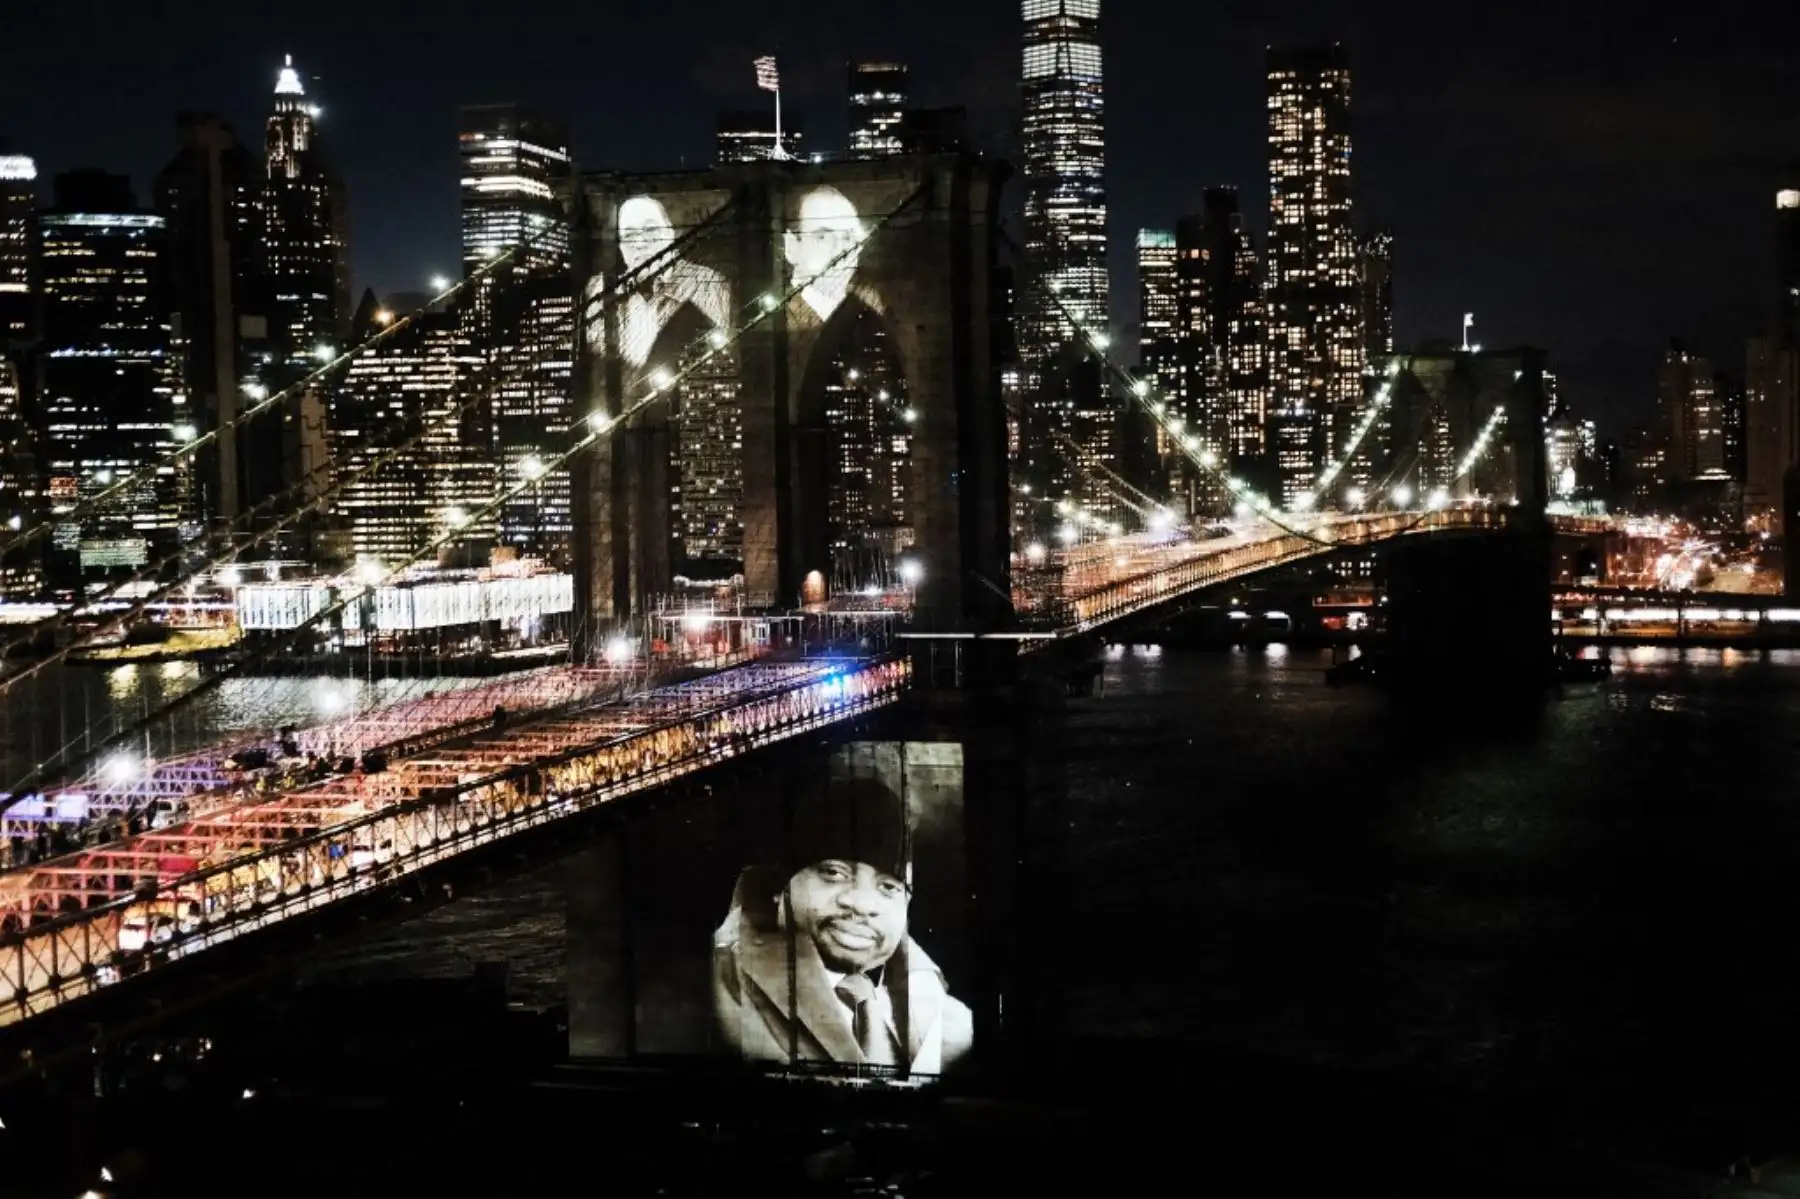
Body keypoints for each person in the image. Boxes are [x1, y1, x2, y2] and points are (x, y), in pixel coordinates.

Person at [711, 775, 971, 1074]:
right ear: (779, 888)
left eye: (888, 887)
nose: (862, 904)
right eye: (834, 873)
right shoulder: (718, 988)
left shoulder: (949, 1019)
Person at [612, 194, 730, 367]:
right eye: (629, 235)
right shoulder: (600, 291)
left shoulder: (707, 283)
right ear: (621, 247)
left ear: (670, 234)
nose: (639, 243)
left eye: (650, 230)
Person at [783, 186, 865, 323]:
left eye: (847, 237)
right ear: (791, 247)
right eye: (822, 237)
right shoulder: (777, 320)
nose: (840, 250)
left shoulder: (868, 318)